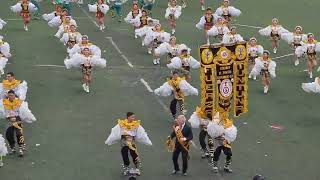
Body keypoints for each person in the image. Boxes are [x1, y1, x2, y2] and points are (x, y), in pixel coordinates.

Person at [0, 90, 36, 157]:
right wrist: (8, 117)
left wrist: (17, 118)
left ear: (14, 95)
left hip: (18, 121)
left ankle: (21, 148)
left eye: (12, 95)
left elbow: (23, 113)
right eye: (9, 95)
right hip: (10, 121)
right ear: (8, 96)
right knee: (8, 134)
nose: (11, 96)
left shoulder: (19, 103)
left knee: (19, 133)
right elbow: (3, 112)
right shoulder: (4, 103)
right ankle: (12, 147)